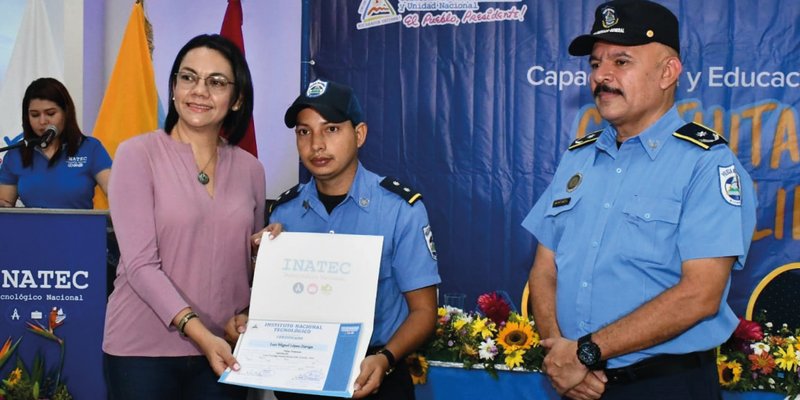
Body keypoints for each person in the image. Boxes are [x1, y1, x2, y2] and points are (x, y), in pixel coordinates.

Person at [522, 1, 757, 399]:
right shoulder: (578, 157)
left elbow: (700, 294)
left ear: (668, 72)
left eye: (621, 62)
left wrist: (586, 352)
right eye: (596, 64)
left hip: (664, 386)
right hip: (577, 383)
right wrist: (560, 355)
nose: (602, 76)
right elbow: (544, 268)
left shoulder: (706, 164)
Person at [226, 80, 440, 400]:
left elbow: (424, 312)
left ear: (359, 134)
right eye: (304, 132)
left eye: (331, 130)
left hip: (376, 373)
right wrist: (248, 319)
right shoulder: (284, 213)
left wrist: (385, 359)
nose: (316, 145)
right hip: (299, 375)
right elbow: (275, 305)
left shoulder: (400, 210)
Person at [102, 34, 265, 400]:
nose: (199, 91)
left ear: (237, 99)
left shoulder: (252, 169)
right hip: (141, 351)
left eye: (216, 82)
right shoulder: (136, 155)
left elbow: (248, 266)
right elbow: (141, 264)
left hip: (223, 348)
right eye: (188, 77)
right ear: (173, 86)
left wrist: (272, 253)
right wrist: (199, 333)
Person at [0, 77, 111, 208]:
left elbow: (117, 194)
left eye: (50, 113)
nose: (42, 122)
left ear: (66, 113)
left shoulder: (90, 148)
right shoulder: (16, 154)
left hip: (80, 228)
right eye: (35, 115)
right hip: (31, 228)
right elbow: (5, 206)